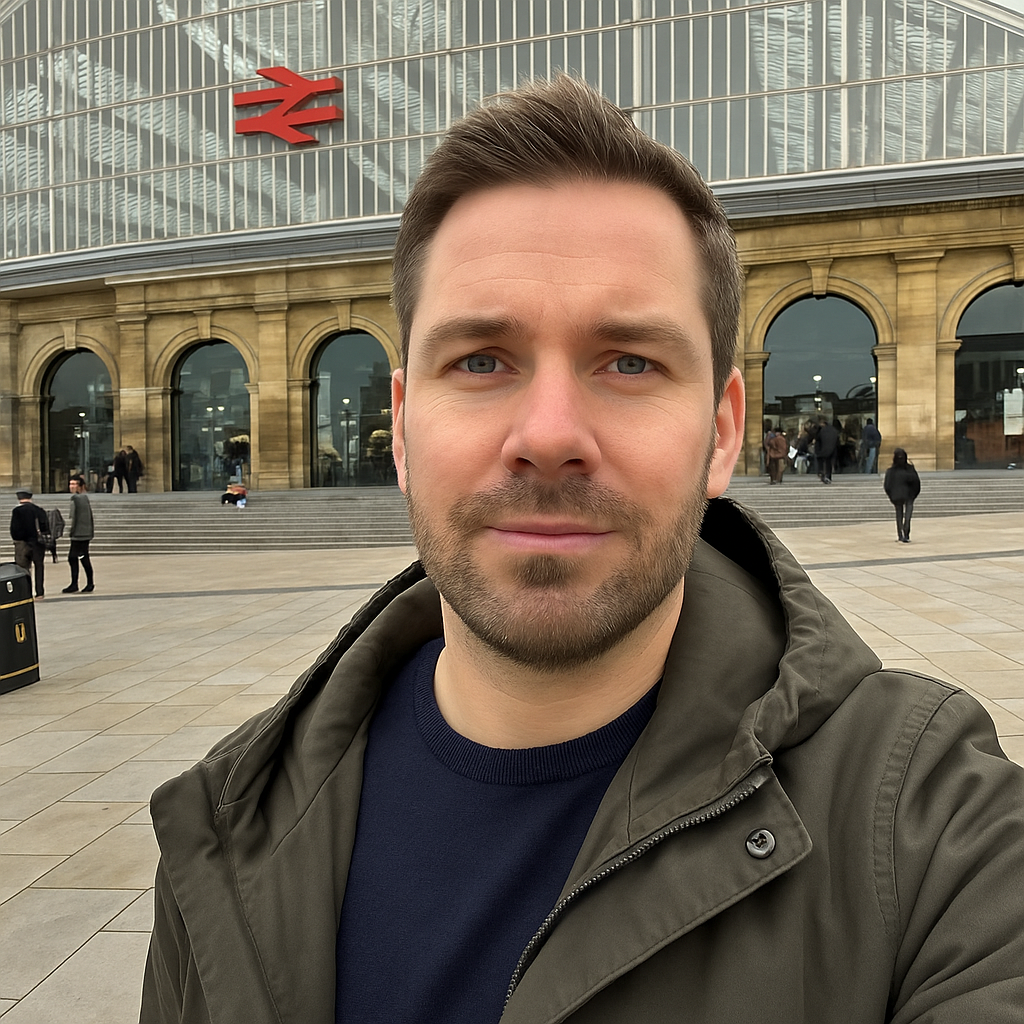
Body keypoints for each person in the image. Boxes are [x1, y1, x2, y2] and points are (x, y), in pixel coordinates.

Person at [141, 77, 1024, 1024]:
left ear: (723, 431)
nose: (550, 433)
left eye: (630, 362)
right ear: (400, 427)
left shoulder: (929, 825)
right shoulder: (226, 831)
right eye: (481, 360)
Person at [9, 489, 49, 599]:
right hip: (38, 543)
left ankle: (26, 592)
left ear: (19, 498)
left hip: (22, 543)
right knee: (39, 566)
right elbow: (45, 526)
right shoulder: (39, 510)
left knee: (23, 568)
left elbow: (14, 529)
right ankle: (40, 592)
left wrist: (17, 538)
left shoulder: (17, 511)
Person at [63, 474, 95, 594]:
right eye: (70, 484)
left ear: (80, 486)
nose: (71, 486)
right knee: (83, 557)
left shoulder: (75, 498)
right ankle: (88, 582)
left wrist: (70, 530)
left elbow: (73, 516)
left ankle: (76, 584)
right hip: (85, 532)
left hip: (78, 533)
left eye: (74, 484)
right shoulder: (85, 498)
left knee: (74, 557)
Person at [884, 447, 921, 543]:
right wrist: (914, 494)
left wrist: (891, 496)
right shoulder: (910, 470)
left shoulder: (891, 471)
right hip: (908, 495)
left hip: (898, 496)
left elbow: (887, 485)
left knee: (899, 514)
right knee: (907, 515)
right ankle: (906, 532)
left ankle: (901, 534)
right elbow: (917, 483)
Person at [813, 415, 838, 483]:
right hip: (830, 449)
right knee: (828, 463)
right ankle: (827, 476)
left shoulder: (822, 430)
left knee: (822, 463)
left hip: (822, 450)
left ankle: (822, 474)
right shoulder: (832, 430)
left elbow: (818, 439)